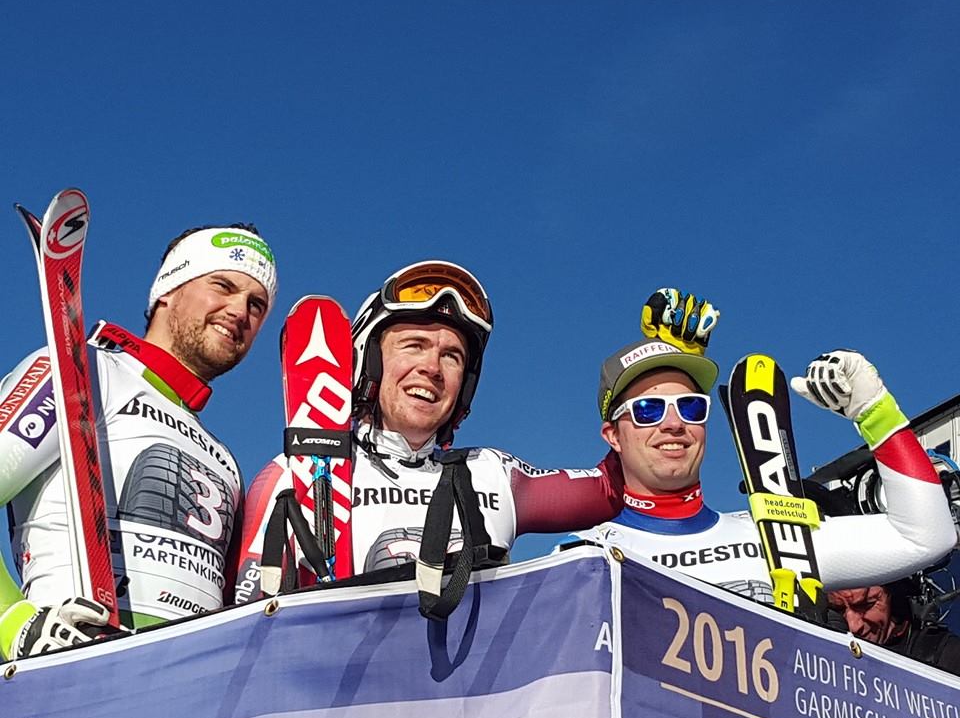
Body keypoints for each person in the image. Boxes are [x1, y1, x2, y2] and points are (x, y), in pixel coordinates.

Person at [235, 264, 689, 598]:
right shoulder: (290, 474)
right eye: (414, 345)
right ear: (368, 361)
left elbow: (618, 486)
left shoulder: (494, 474)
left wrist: (664, 378)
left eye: (452, 356)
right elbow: (239, 629)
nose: (432, 368)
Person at [0, 224, 277, 659]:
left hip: (188, 685)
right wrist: (14, 623)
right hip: (70, 665)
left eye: (256, 304)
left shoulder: (224, 460)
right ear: (168, 289)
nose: (240, 311)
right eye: (222, 286)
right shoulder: (86, 371)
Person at [576, 339, 957, 604]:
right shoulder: (589, 554)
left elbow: (927, 537)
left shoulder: (778, 539)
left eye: (691, 407)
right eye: (648, 410)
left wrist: (875, 411)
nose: (674, 424)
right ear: (613, 436)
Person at [828, 583, 960, 677]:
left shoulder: (947, 657)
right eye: (837, 609)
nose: (853, 626)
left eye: (867, 605)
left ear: (897, 601)